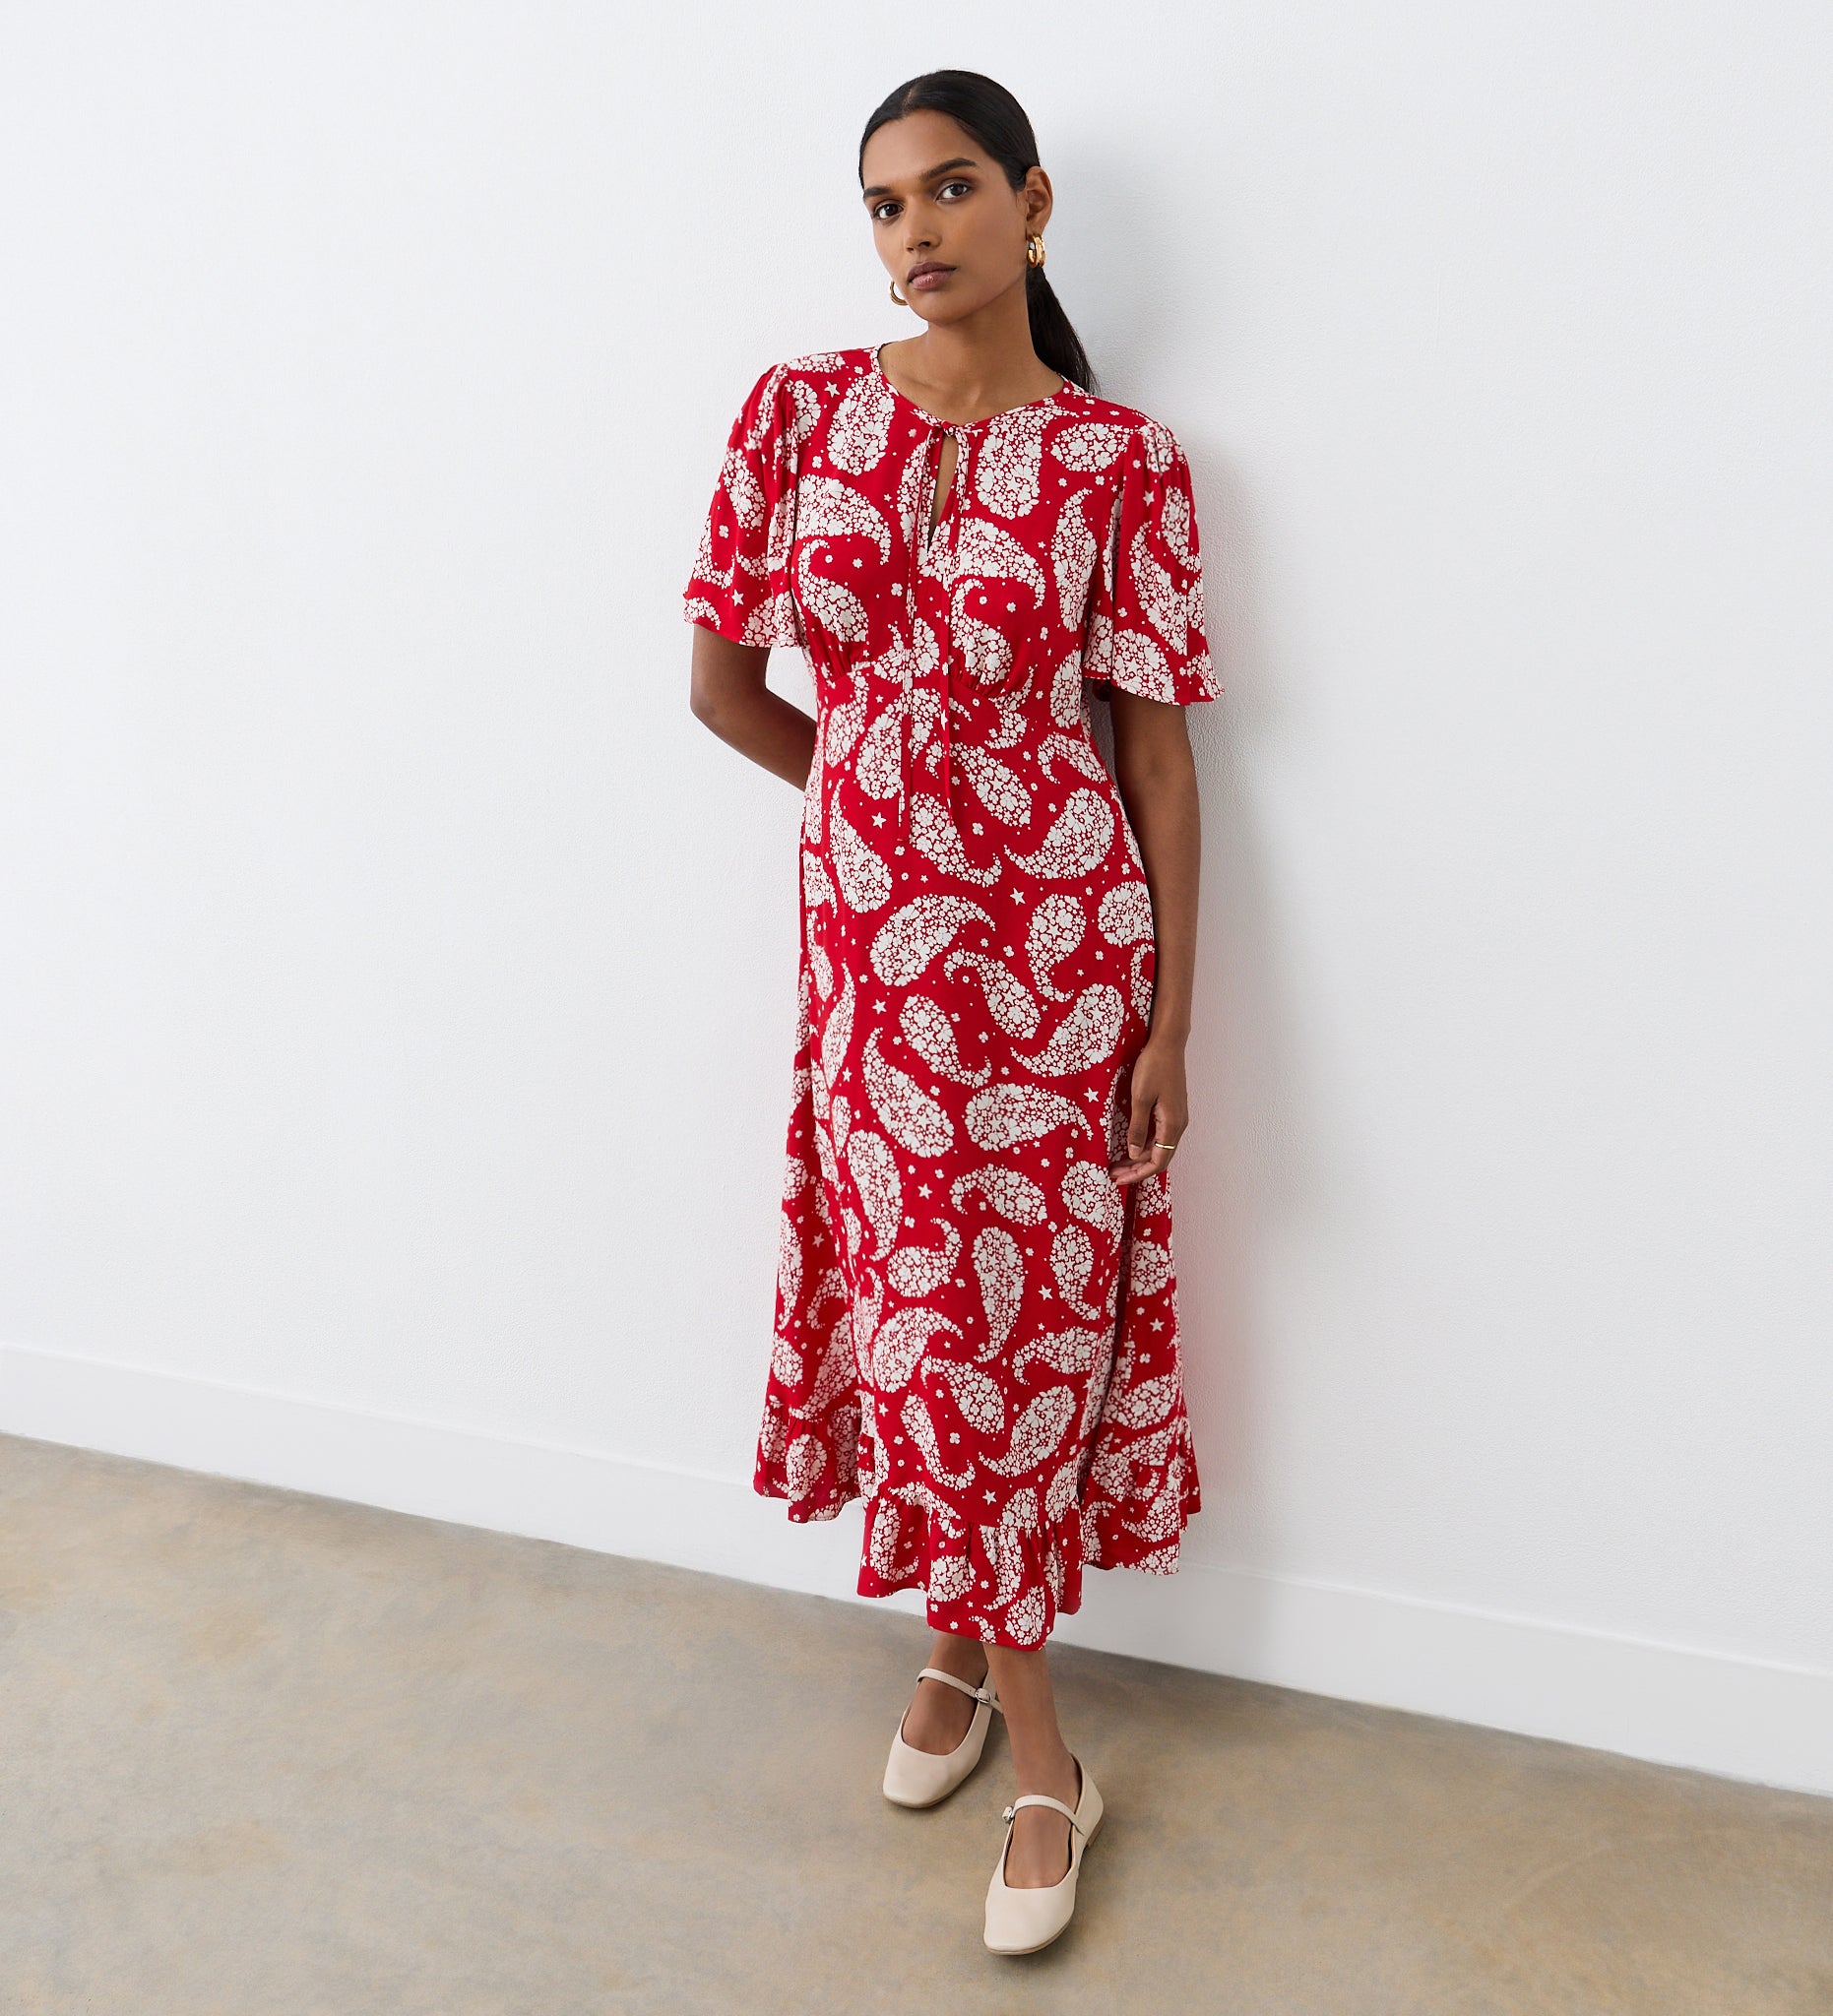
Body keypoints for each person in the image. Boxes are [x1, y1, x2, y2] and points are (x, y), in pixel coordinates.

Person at [682, 67, 1222, 1955]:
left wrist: (1164, 1021)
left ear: (1034, 206)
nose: (914, 234)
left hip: (1060, 970)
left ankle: (1050, 1754)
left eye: (950, 191)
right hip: (870, 969)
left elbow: (1154, 768)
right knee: (918, 1320)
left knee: (1015, 1331)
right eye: (884, 206)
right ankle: (961, 1654)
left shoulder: (1120, 465)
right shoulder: (795, 414)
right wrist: (878, 814)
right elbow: (724, 688)